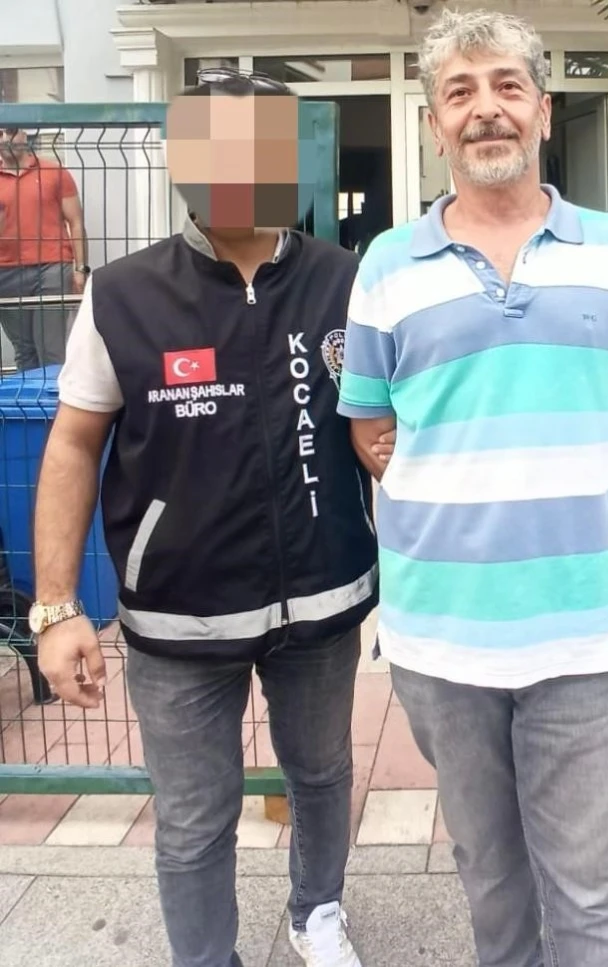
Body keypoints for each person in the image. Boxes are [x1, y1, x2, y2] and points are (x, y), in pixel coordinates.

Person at [339, 10, 608, 967]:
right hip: (440, 637)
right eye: (459, 92)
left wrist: (570, 473)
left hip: (582, 627)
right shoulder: (386, 265)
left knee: (590, 891)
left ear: (543, 109)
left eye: (506, 87)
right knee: (491, 879)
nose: (485, 108)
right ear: (434, 125)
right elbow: (369, 423)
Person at [32, 70, 393, 967]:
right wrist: (56, 606)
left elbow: (385, 422)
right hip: (177, 617)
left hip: (323, 601)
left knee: (322, 776)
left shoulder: (347, 281)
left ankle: (317, 912)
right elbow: (72, 444)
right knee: (195, 818)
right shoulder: (122, 295)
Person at [0, 127, 89, 371]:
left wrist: (80, 269)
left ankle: (55, 395)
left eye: (11, 131)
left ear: (25, 134)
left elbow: (76, 222)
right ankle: (31, 396)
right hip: (5, 272)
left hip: (51, 268)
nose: (5, 139)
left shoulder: (54, 172)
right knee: (24, 349)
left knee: (51, 348)